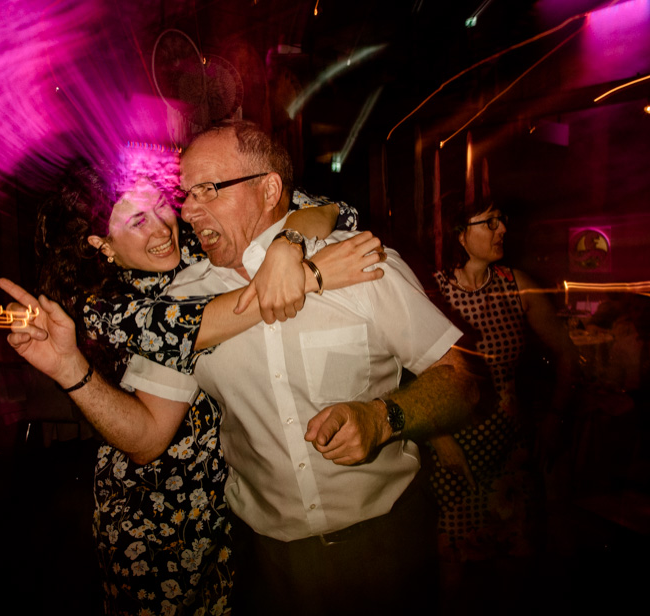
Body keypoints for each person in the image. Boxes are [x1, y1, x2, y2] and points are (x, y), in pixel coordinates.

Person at [116, 120, 482, 615]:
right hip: (267, 566)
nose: (188, 210)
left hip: (388, 546)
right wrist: (70, 369)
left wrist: (383, 418)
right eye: (186, 194)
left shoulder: (358, 262)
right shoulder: (185, 300)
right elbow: (145, 438)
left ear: (268, 188)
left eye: (207, 190)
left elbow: (462, 380)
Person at [0, 156, 383, 616]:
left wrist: (288, 243)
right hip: (152, 510)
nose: (163, 229)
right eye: (138, 220)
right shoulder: (105, 307)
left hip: (230, 496)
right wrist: (308, 276)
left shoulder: (197, 253)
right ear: (101, 243)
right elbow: (191, 326)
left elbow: (331, 210)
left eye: (163, 207)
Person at [427, 199, 576, 612]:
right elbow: (410, 373)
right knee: (454, 575)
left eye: (503, 222)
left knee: (515, 569)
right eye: (489, 223)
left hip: (513, 451)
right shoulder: (433, 289)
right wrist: (438, 437)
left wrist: (554, 417)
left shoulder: (517, 284)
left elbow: (566, 353)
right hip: (456, 452)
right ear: (461, 234)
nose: (501, 230)